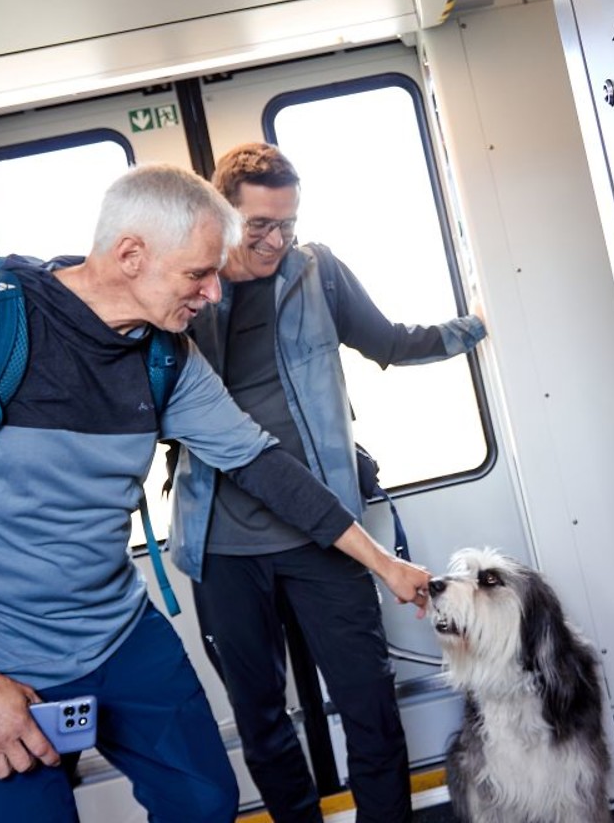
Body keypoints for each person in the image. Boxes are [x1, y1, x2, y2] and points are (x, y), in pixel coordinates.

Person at [0, 164, 430, 823]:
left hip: (118, 637)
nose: (214, 293)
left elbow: (259, 462)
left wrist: (384, 564)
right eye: (198, 274)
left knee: (207, 804)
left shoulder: (166, 357)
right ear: (131, 256)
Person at [170, 142, 487, 823]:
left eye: (288, 223)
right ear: (221, 215)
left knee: (370, 707)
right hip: (223, 545)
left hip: (326, 534)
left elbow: (391, 342)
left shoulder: (319, 272)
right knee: (262, 723)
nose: (277, 241)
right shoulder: (184, 287)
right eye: (259, 226)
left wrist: (477, 327)